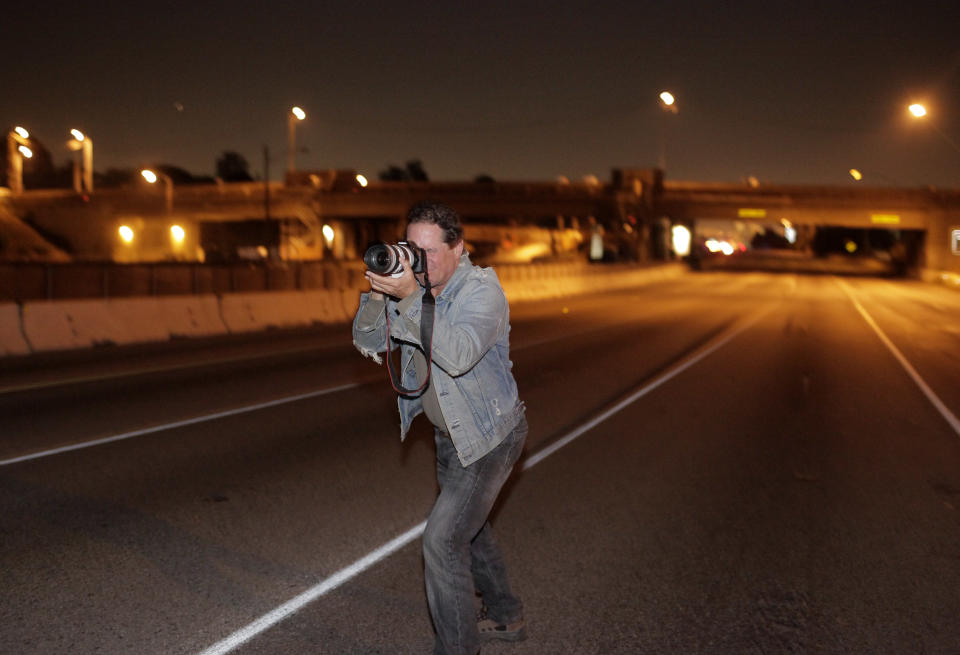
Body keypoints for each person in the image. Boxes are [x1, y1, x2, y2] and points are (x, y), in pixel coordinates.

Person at [352, 201, 527, 655]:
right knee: (472, 527)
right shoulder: (412, 288)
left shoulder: (482, 292)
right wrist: (377, 295)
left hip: (490, 437)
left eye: (430, 252)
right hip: (450, 438)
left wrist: (410, 297)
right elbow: (367, 340)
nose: (419, 261)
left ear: (459, 248)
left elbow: (459, 353)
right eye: (412, 249)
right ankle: (506, 615)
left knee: (443, 540)